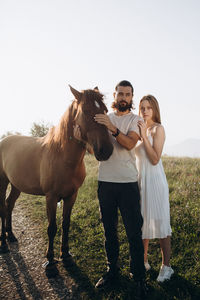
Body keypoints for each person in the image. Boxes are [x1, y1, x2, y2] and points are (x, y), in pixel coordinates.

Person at [74, 80, 147, 298]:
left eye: (128, 94)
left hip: (128, 184)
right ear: (114, 95)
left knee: (134, 233)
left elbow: (129, 144)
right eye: (120, 93)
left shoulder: (136, 120)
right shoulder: (102, 117)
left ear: (132, 97)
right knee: (109, 231)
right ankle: (112, 272)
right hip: (106, 183)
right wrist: (82, 141)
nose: (124, 97)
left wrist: (112, 127)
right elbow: (98, 150)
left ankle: (139, 277)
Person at [135, 94, 174, 282]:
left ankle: (166, 267)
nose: (144, 111)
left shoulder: (158, 129)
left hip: (156, 182)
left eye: (148, 107)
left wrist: (143, 136)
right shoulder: (138, 129)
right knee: (142, 223)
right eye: (142, 107)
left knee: (160, 223)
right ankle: (143, 261)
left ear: (155, 110)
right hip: (140, 182)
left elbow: (155, 158)